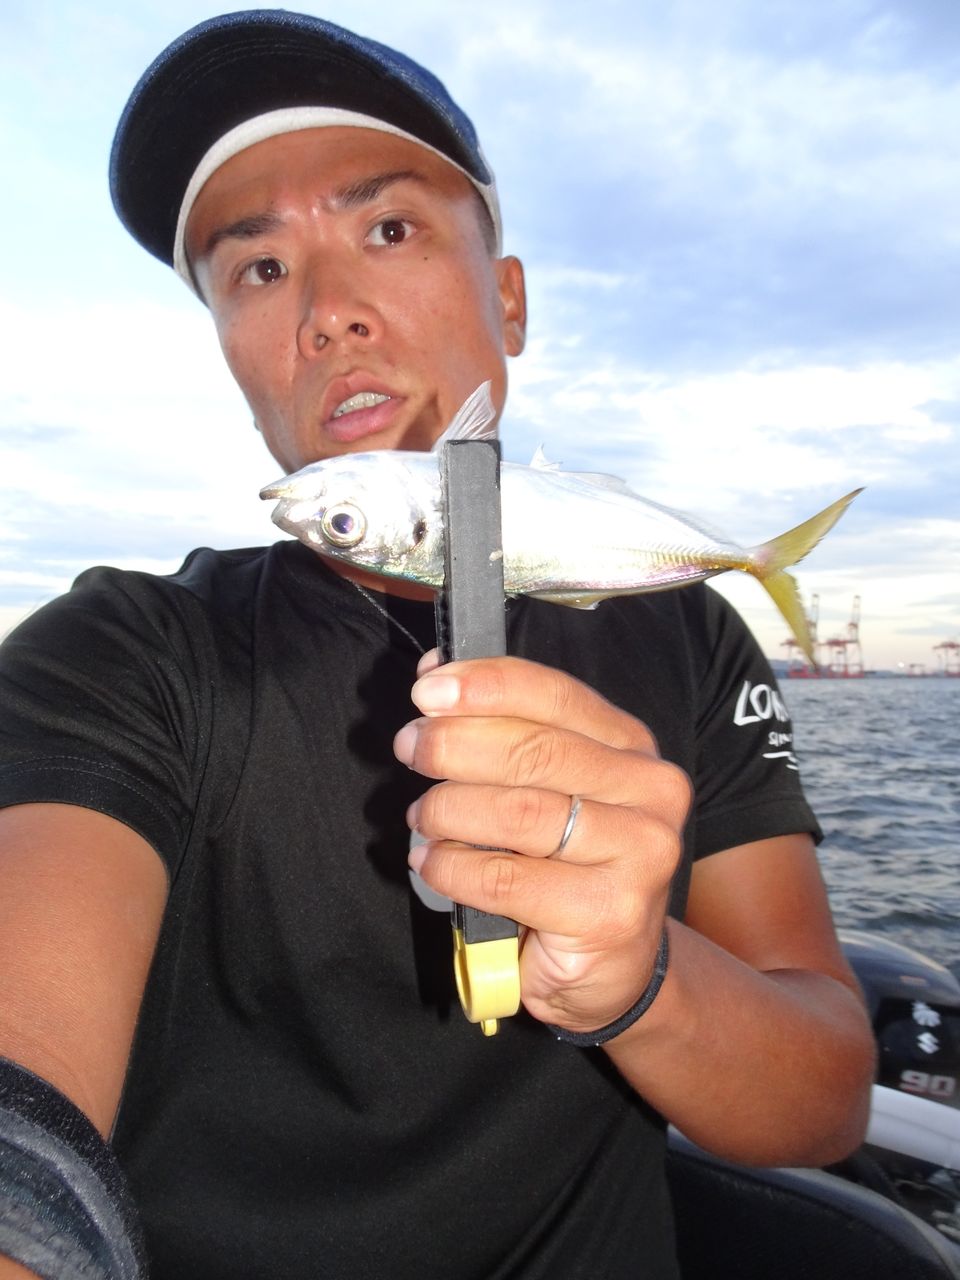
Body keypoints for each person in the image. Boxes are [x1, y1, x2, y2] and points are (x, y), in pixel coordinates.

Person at [0, 11, 875, 1279]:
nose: (329, 314)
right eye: (259, 269)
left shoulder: (690, 632)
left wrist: (642, 976)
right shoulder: (117, 654)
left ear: (508, 301)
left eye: (389, 230)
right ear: (230, 350)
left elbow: (826, 1096)